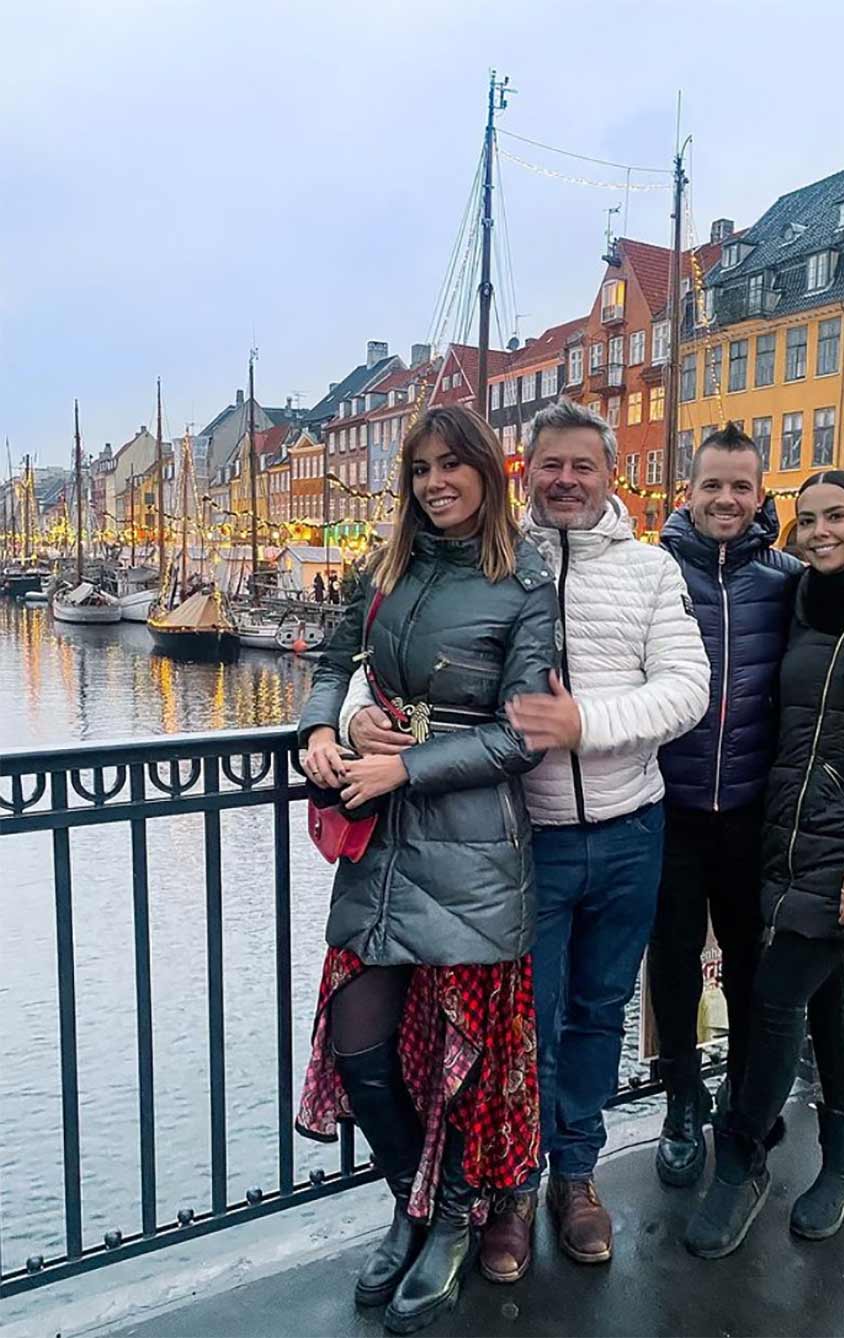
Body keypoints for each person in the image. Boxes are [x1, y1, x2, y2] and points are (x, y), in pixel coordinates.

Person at [296, 405, 559, 1334]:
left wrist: (403, 763)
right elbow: (331, 664)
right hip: (381, 839)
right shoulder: (386, 564)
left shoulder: (525, 578)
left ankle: (452, 1221)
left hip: (473, 846)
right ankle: (417, 1204)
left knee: (466, 1064)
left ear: (486, 472)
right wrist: (322, 728)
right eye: (420, 469)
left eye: (452, 466)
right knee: (360, 1045)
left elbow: (525, 730)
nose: (434, 483)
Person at [685, 469, 844, 1260]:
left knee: (772, 1000)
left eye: (837, 517)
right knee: (826, 1001)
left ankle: (742, 1158)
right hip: (790, 839)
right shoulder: (810, 600)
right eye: (807, 521)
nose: (821, 531)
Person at [475, 397, 709, 1282]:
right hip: (520, 841)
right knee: (526, 1024)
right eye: (551, 466)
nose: (566, 480)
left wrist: (588, 724)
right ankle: (511, 1186)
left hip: (626, 831)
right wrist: (349, 719)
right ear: (525, 473)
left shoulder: (649, 571)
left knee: (599, 1015)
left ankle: (575, 1177)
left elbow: (688, 686)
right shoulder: (496, 563)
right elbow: (404, 657)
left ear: (611, 476)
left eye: (583, 466)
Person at [648, 422, 799, 1188]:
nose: (727, 499)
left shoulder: (785, 579)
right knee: (671, 961)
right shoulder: (654, 573)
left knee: (750, 964)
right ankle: (681, 1098)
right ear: (689, 492)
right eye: (714, 485)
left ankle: (743, 1093)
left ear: (761, 494)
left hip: (750, 808)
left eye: (742, 486)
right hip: (667, 805)